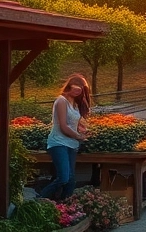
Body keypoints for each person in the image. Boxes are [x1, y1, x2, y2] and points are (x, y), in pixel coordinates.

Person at [39, 73, 90, 201]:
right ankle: (38, 199)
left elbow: (73, 124)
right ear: (70, 86)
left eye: (81, 90)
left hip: (72, 145)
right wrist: (79, 136)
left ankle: (64, 205)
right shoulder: (61, 101)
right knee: (63, 178)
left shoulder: (75, 104)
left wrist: (83, 131)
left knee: (71, 181)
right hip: (59, 143)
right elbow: (63, 126)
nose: (78, 92)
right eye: (76, 88)